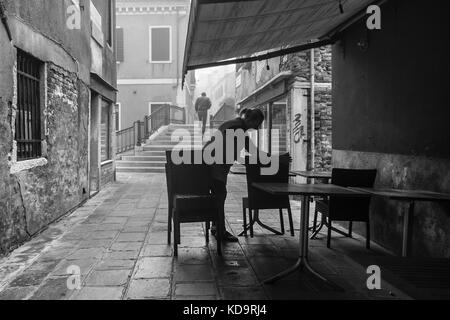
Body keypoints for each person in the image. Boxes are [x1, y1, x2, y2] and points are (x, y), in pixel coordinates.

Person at [203, 108, 268, 242]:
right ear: (252, 120)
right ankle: (220, 231)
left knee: (219, 196)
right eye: (258, 123)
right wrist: (271, 159)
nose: (258, 127)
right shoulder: (237, 128)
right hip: (216, 165)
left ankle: (216, 227)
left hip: (213, 164)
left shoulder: (236, 125)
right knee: (220, 196)